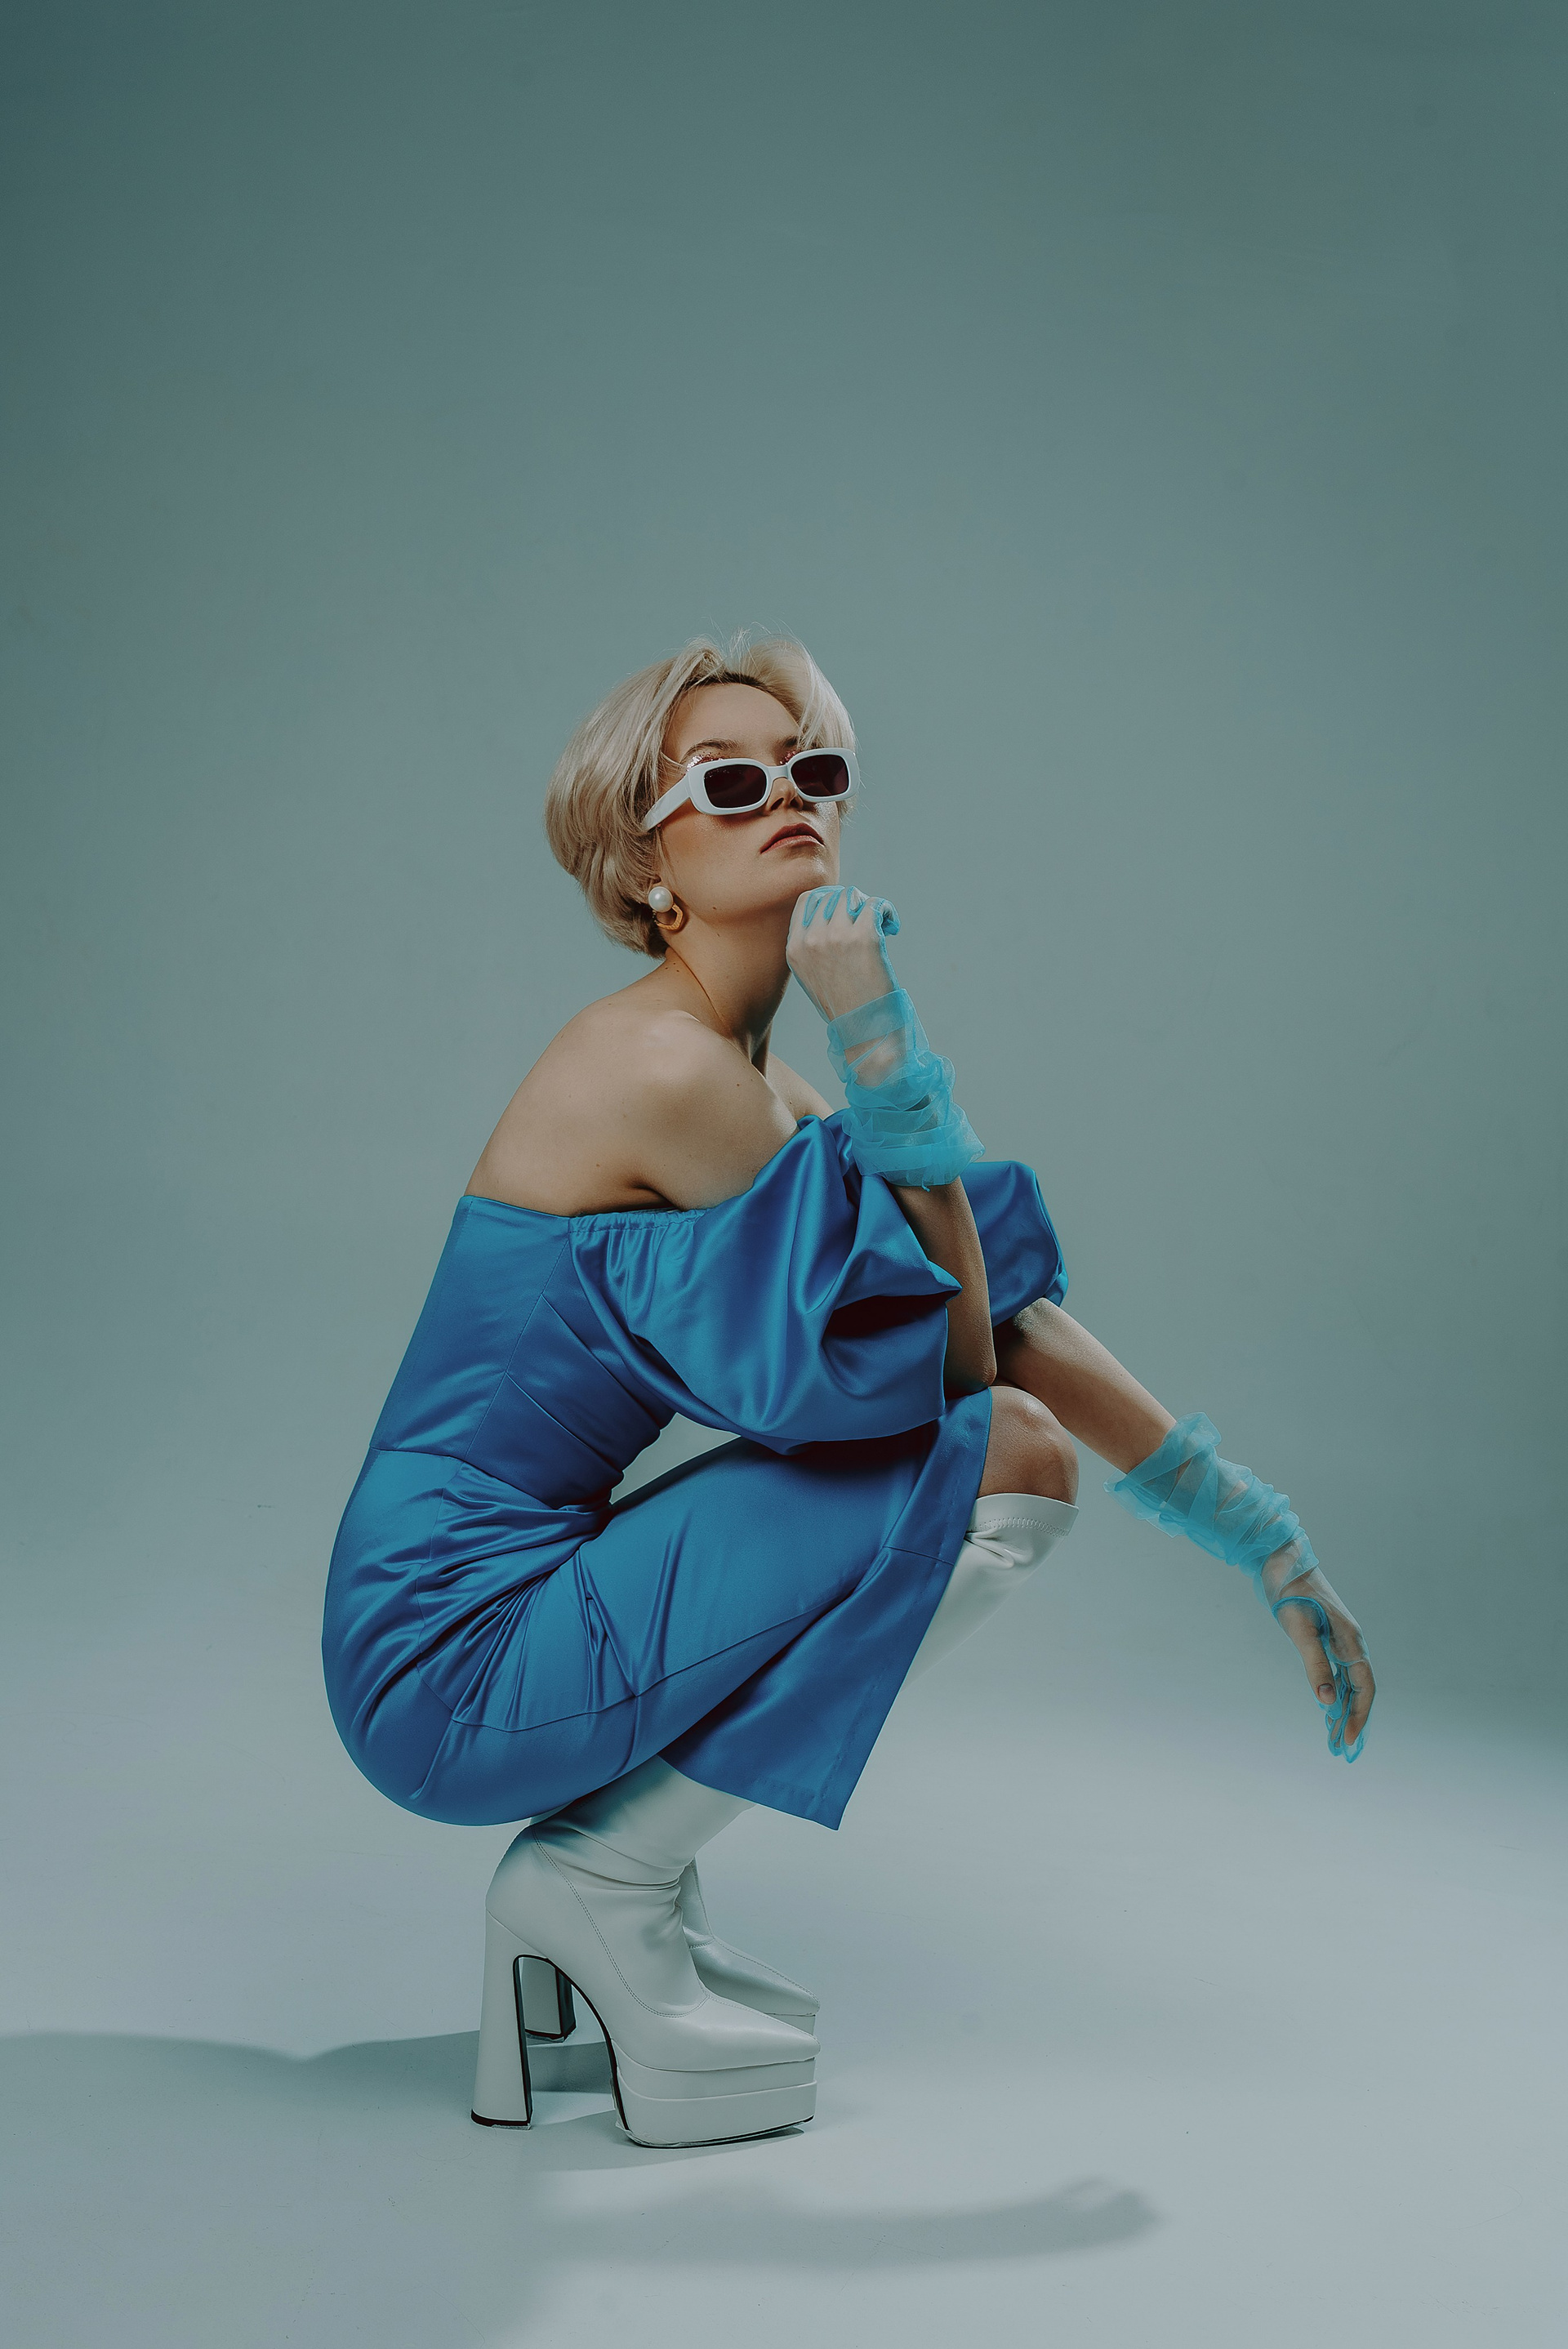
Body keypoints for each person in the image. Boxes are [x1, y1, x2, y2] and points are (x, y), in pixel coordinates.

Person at [321, 635, 1374, 2151]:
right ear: (647, 860)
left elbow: (1004, 1316)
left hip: (509, 1596)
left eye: (812, 769)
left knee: (992, 1439)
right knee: (1003, 1460)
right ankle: (602, 1877)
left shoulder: (758, 1085)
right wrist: (879, 1034)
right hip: (446, 1652)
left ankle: (624, 1883)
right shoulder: (660, 1073)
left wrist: (1263, 1538)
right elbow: (956, 1378)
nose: (789, 799)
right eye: (730, 782)